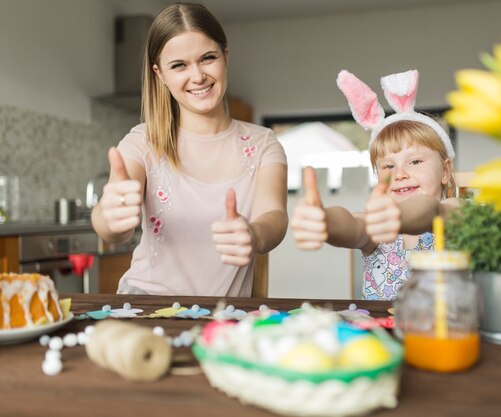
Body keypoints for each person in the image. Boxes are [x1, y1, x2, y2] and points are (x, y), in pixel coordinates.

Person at [91, 3, 288, 296]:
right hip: (144, 305)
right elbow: (111, 227)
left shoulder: (263, 144)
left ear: (225, 57)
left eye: (207, 58)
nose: (197, 76)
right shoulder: (141, 142)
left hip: (224, 316)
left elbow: (274, 215)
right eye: (179, 65)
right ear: (160, 74)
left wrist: (254, 234)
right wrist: (110, 218)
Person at [291, 69, 463, 300]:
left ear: (445, 170)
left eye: (414, 161)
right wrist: (326, 220)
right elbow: (353, 224)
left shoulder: (455, 210)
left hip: (448, 334)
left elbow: (432, 211)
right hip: (381, 335)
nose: (400, 174)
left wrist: (398, 216)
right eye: (388, 166)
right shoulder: (376, 226)